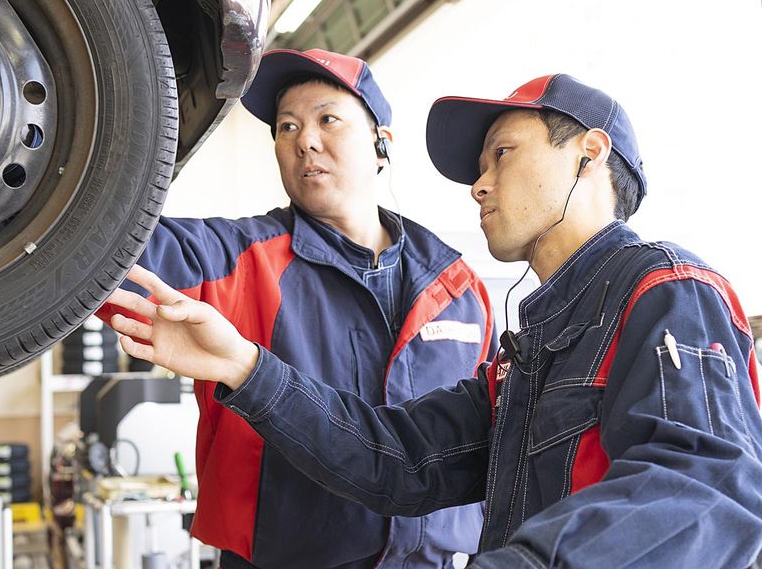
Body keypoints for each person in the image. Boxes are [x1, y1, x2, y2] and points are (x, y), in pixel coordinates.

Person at [105, 74, 762, 567]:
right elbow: (395, 458)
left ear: (588, 153)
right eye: (480, 168)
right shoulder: (526, 358)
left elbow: (703, 491)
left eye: (501, 154)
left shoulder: (667, 291)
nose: (479, 184)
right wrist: (244, 366)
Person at [99, 48, 496, 568]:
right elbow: (101, 250)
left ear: (380, 145)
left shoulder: (459, 287)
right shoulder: (236, 260)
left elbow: (494, 443)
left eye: (327, 119)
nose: (304, 140)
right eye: (287, 127)